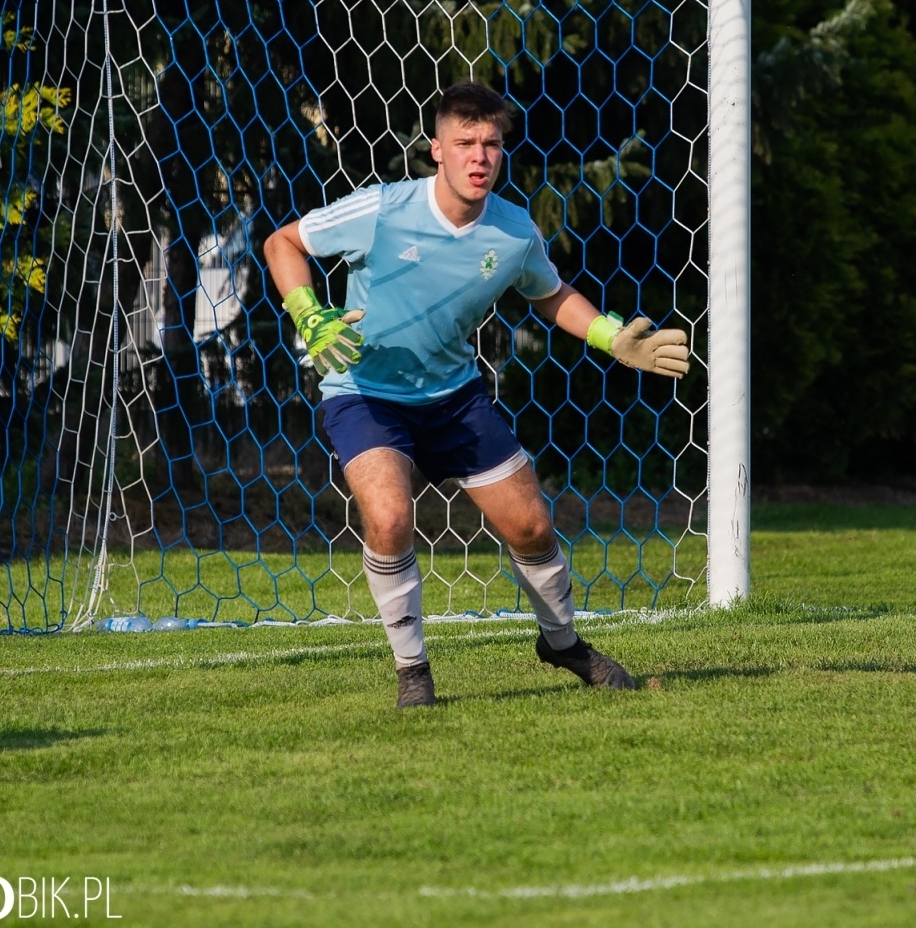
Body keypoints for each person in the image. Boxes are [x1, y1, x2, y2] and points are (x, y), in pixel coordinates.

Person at [262, 81, 691, 708]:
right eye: (464, 143)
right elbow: (283, 242)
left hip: (455, 399)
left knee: (532, 527)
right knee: (388, 518)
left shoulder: (513, 232)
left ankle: (562, 644)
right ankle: (414, 673)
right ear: (436, 149)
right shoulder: (380, 210)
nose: (479, 157)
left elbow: (549, 292)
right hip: (365, 394)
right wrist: (309, 312)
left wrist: (610, 336)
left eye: (491, 144)